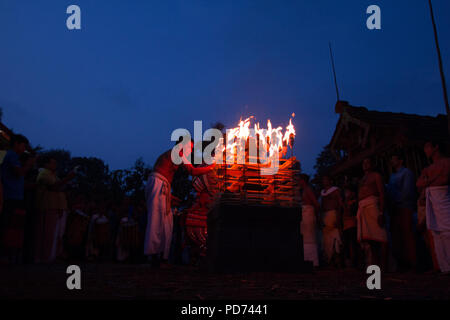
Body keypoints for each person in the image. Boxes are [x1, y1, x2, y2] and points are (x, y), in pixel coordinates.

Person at [144, 137, 215, 267]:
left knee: (167, 221)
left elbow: (165, 177)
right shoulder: (177, 152)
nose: (191, 150)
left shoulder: (177, 155)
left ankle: (162, 256)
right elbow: (192, 171)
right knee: (156, 219)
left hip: (162, 185)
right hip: (158, 184)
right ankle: (153, 256)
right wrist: (212, 167)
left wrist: (169, 196)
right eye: (191, 147)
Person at [416, 140, 450, 274]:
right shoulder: (428, 168)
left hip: (443, 196)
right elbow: (419, 183)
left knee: (447, 230)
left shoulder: (446, 162)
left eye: (427, 147)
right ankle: (444, 267)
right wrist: (432, 180)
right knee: (436, 232)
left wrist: (428, 181)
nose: (426, 150)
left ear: (436, 147)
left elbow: (444, 179)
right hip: (432, 198)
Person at [0, 134, 35, 263]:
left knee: (10, 225)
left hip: (13, 195)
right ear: (16, 144)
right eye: (23, 145)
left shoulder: (12, 156)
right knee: (7, 225)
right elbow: (19, 173)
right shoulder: (12, 156)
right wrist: (29, 165)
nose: (24, 148)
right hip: (10, 196)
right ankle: (4, 254)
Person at [34, 156, 75, 263]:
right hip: (48, 206)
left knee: (55, 234)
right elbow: (53, 187)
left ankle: (51, 256)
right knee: (47, 234)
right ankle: (44, 257)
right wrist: (68, 178)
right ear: (46, 164)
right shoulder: (44, 173)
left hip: (55, 207)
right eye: (53, 163)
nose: (55, 165)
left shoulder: (53, 175)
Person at [386, 153, 417, 271]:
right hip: (394, 209)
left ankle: (413, 262)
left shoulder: (406, 173)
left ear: (401, 160)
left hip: (404, 206)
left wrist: (398, 201)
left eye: (394, 159)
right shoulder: (392, 176)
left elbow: (407, 191)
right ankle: (402, 262)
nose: (392, 162)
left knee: (407, 233)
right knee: (397, 236)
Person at [357, 157, 388, 269]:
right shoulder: (362, 179)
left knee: (381, 236)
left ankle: (384, 265)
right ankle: (375, 264)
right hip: (363, 208)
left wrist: (381, 212)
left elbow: (382, 193)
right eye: (363, 162)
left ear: (372, 164)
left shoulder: (376, 176)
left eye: (367, 162)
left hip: (373, 206)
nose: (365, 164)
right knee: (370, 239)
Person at [320, 175, 343, 266]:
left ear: (331, 181)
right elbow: (321, 206)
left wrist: (338, 217)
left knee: (336, 239)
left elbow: (339, 204)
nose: (324, 181)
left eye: (326, 179)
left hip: (333, 214)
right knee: (326, 240)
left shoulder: (335, 190)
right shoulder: (322, 192)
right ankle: (330, 261)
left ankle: (339, 261)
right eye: (323, 180)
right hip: (325, 216)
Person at [298, 174, 320, 267]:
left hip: (309, 213)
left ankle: (313, 261)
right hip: (305, 213)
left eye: (299, 180)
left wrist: (317, 215)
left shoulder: (308, 190)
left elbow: (316, 203)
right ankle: (307, 259)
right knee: (305, 237)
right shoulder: (303, 191)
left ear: (303, 180)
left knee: (310, 237)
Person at [342, 185, 359, 268]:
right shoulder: (345, 201)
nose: (347, 193)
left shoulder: (355, 202)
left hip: (352, 223)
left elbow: (350, 212)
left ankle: (355, 261)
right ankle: (349, 262)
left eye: (348, 191)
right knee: (347, 243)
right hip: (345, 224)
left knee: (352, 243)